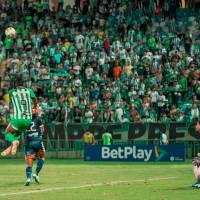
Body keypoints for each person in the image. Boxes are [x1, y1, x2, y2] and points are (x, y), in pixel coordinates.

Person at [1, 75, 37, 157]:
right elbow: (35, 100)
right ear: (24, 84)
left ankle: (14, 142)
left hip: (17, 118)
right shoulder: (29, 91)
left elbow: (11, 102)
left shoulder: (11, 92)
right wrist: (34, 107)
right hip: (28, 120)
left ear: (15, 84)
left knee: (7, 133)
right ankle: (11, 147)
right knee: (17, 133)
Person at [24, 107, 45, 186]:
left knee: (29, 162)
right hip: (37, 141)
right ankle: (36, 173)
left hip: (28, 142)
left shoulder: (25, 119)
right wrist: (40, 135)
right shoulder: (38, 119)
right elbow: (42, 129)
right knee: (42, 157)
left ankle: (28, 178)